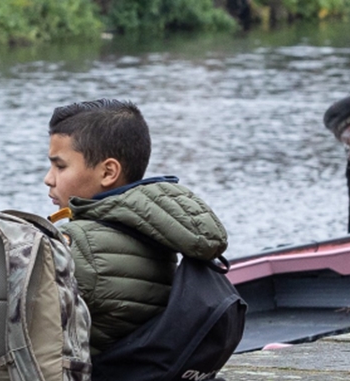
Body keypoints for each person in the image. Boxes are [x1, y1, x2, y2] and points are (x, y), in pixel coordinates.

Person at [42, 98, 228, 354]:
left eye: (60, 166)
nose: (48, 179)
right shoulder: (158, 226)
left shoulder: (79, 242)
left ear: (108, 172)